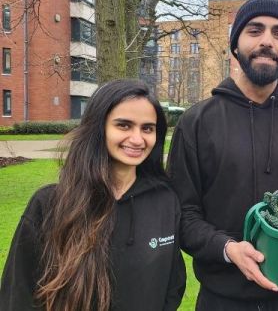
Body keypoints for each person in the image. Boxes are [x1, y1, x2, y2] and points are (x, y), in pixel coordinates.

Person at [166, 0, 278, 310]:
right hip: (222, 300)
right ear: (235, 43)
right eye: (255, 30)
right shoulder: (197, 122)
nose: (267, 41)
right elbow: (182, 214)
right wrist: (228, 248)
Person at [0, 79, 186, 311]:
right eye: (124, 125)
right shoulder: (49, 205)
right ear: (99, 127)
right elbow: (17, 295)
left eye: (147, 128)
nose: (138, 139)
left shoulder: (165, 201)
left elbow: (173, 284)